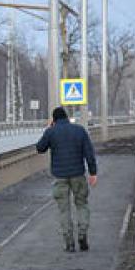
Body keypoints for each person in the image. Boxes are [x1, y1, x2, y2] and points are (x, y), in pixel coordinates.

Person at [36, 107, 97, 253]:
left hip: (60, 177)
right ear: (67, 117)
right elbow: (89, 152)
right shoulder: (80, 130)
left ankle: (69, 242)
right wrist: (93, 173)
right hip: (78, 174)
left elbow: (40, 148)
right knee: (82, 204)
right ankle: (82, 234)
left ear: (54, 120)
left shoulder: (51, 132)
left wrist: (49, 129)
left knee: (64, 209)